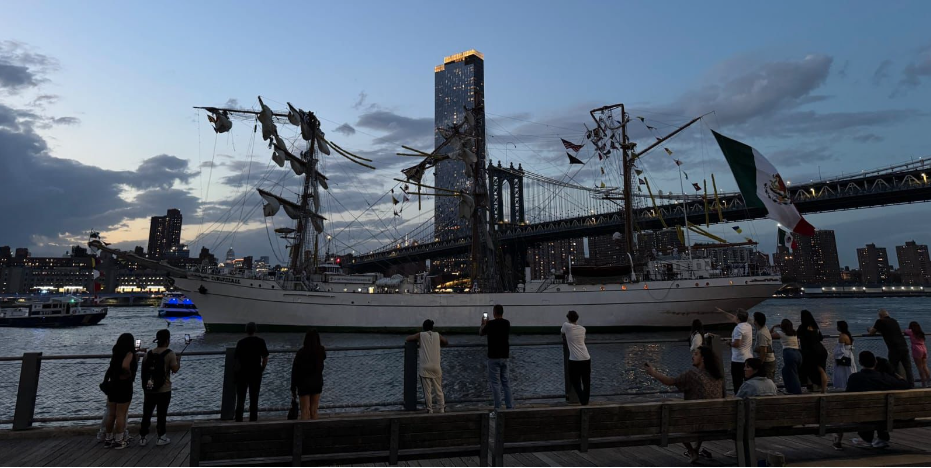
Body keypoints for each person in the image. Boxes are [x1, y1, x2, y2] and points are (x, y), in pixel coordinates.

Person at [644, 346, 723, 464]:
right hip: (717, 422)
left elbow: (670, 381)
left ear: (703, 358)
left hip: (698, 422)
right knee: (702, 412)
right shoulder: (717, 377)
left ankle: (691, 451)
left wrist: (653, 373)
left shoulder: (692, 374)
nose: (692, 356)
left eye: (696, 354)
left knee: (676, 420)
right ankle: (696, 449)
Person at [833, 351, 910, 450]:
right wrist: (893, 373)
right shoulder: (884, 378)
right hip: (884, 416)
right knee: (880, 410)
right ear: (875, 362)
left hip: (862, 415)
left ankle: (864, 438)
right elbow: (906, 385)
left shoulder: (854, 378)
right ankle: (880, 438)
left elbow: (847, 399)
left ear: (860, 363)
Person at [139, 329, 180, 447]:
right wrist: (178, 361)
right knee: (161, 413)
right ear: (167, 340)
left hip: (149, 388)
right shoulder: (170, 353)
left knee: (147, 413)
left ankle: (143, 437)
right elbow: (175, 369)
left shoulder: (148, 354)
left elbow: (144, 371)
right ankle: (161, 437)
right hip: (164, 389)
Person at [102, 333, 137, 449]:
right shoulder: (129, 354)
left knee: (111, 414)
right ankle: (119, 440)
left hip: (113, 385)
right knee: (121, 414)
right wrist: (129, 373)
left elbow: (112, 368)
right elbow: (125, 365)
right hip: (124, 386)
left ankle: (108, 439)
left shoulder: (116, 353)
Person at [406, 319, 449, 413]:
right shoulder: (437, 335)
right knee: (438, 389)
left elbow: (408, 338)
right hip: (436, 366)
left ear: (423, 327)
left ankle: (430, 409)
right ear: (432, 327)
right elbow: (446, 342)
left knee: (427, 391)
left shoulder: (420, 335)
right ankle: (441, 408)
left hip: (425, 367)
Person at [868, 309, 915, 388]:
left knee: (892, 368)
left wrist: (869, 329)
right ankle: (911, 385)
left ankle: (895, 385)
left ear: (880, 316)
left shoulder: (880, 321)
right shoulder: (894, 321)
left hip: (894, 348)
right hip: (904, 346)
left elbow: (872, 332)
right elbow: (890, 330)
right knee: (908, 368)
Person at [480, 304, 514, 410]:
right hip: (505, 356)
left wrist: (483, 324)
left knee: (495, 383)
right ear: (502, 312)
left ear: (494, 312)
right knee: (506, 382)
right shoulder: (507, 323)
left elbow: (481, 333)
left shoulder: (490, 324)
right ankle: (509, 406)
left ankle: (498, 407)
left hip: (493, 356)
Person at [234, 322, 269, 422]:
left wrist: (236, 373)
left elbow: (236, 359)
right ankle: (253, 419)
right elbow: (265, 357)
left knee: (240, 398)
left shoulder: (240, 342)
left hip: (242, 373)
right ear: (255, 330)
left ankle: (238, 419)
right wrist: (262, 368)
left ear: (246, 330)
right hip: (256, 372)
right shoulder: (260, 342)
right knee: (254, 397)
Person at [291, 329, 326, 420]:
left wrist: (293, 388)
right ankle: (315, 428)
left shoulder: (301, 353)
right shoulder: (321, 351)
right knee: (314, 410)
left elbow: (294, 371)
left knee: (305, 410)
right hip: (317, 383)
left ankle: (304, 428)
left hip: (303, 384)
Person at [561, 311, 591, 406]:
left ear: (568, 318)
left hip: (574, 359)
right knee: (586, 381)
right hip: (586, 357)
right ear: (577, 319)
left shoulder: (566, 326)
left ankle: (582, 399)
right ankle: (585, 401)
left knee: (574, 380)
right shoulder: (583, 329)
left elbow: (562, 332)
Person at [798, 310, 829, 393]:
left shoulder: (802, 327)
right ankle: (823, 389)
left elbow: (797, 335)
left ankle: (811, 388)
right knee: (822, 370)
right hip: (821, 350)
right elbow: (820, 338)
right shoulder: (815, 327)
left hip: (811, 352)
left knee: (809, 369)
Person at [771, 319, 804, 394]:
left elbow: (769, 335)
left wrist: (773, 326)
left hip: (789, 353)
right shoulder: (794, 332)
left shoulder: (781, 333)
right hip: (798, 353)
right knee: (785, 371)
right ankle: (789, 390)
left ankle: (797, 392)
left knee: (793, 374)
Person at [728, 309, 754, 394]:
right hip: (748, 358)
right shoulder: (748, 326)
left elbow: (737, 344)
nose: (734, 317)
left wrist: (729, 343)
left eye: (736, 315)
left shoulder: (738, 328)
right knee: (748, 382)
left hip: (738, 359)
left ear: (738, 318)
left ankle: (738, 398)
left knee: (737, 383)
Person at [832, 321, 856, 390]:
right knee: (849, 370)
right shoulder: (848, 334)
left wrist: (836, 356)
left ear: (840, 327)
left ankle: (842, 387)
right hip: (849, 354)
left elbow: (840, 349)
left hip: (843, 356)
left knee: (842, 372)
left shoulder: (842, 336)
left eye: (837, 326)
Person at [753, 312, 776, 380]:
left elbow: (763, 351)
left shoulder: (761, 333)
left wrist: (760, 364)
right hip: (769, 360)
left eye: (754, 319)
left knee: (767, 381)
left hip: (766, 362)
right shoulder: (764, 328)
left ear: (756, 322)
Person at [905, 321, 929, 388]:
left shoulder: (911, 332)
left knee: (920, 367)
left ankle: (923, 384)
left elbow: (906, 331)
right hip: (924, 348)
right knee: (925, 366)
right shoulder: (921, 333)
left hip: (917, 349)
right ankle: (929, 382)